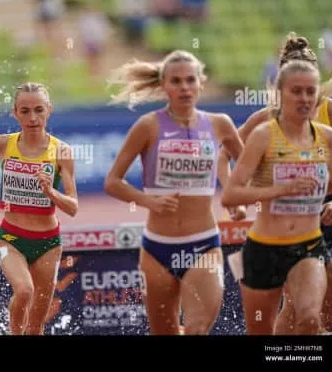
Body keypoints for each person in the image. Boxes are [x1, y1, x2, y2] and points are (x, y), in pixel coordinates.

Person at [104, 50, 244, 335]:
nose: (184, 88)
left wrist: (234, 196)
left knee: (197, 329)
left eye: (191, 80)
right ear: (163, 85)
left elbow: (246, 168)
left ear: (202, 82)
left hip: (203, 244)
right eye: (176, 81)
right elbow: (113, 182)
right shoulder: (148, 126)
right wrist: (148, 201)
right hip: (157, 248)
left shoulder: (219, 124)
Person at [218, 33, 332, 334]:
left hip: (327, 218)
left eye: (310, 89)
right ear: (282, 86)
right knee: (294, 309)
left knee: (324, 315)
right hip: (278, 226)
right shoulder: (263, 125)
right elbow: (224, 159)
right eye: (296, 89)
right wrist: (242, 201)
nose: (305, 98)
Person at [0, 82, 78, 335]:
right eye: (25, 111)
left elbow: (73, 207)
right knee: (24, 290)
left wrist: (51, 192)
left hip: (48, 243)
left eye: (39, 110)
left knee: (37, 325)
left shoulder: (62, 152)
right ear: (15, 113)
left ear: (49, 110)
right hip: (11, 238)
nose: (32, 118)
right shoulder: (3, 144)